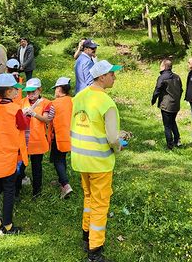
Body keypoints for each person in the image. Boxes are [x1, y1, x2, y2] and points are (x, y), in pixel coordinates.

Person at [71, 60, 123, 262]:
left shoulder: (79, 97)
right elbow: (111, 139)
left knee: (88, 198)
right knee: (100, 204)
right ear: (102, 77)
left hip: (80, 159)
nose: (114, 77)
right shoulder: (107, 103)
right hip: (99, 162)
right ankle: (95, 252)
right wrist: (119, 145)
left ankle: (86, 236)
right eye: (112, 74)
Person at [0, 73, 29, 235]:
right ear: (9, 92)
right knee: (9, 190)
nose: (18, 92)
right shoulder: (15, 109)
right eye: (16, 89)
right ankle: (8, 226)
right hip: (8, 155)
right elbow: (23, 124)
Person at [20, 78, 54, 198]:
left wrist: (34, 114)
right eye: (28, 92)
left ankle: (37, 192)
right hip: (23, 140)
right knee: (20, 165)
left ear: (40, 90)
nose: (30, 95)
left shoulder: (46, 103)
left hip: (37, 140)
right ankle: (16, 189)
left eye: (33, 92)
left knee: (36, 167)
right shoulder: (22, 101)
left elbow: (47, 119)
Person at [151, 59, 183, 150]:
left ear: (164, 67)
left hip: (166, 105)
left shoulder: (162, 77)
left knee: (167, 126)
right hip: (176, 104)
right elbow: (181, 90)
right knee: (172, 122)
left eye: (161, 65)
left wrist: (153, 100)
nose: (159, 67)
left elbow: (157, 89)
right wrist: (177, 99)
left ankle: (170, 145)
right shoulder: (177, 77)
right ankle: (177, 141)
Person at [50, 76, 73, 199]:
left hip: (58, 136)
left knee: (57, 160)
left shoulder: (54, 103)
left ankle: (65, 185)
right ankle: (61, 180)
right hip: (70, 136)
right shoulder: (72, 100)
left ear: (59, 89)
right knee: (62, 157)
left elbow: (49, 119)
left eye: (55, 89)